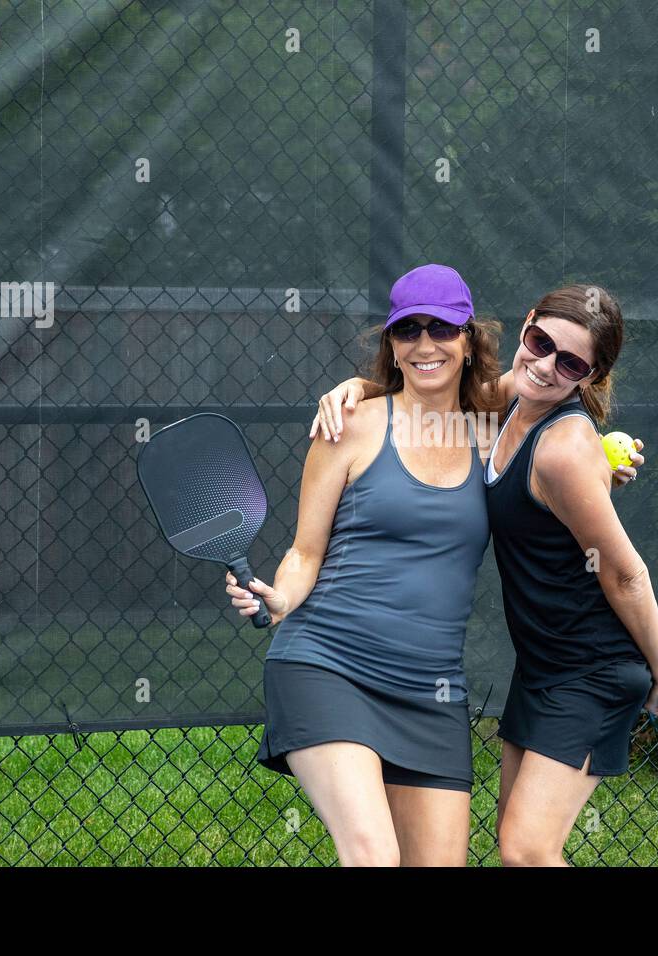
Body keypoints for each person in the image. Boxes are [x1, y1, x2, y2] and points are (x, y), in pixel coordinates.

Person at [311, 283, 658, 866]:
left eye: (571, 363)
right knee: (517, 846)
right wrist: (357, 389)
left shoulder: (564, 446)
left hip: (594, 668)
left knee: (526, 851)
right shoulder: (508, 398)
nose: (545, 365)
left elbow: (626, 574)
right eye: (539, 342)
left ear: (590, 375)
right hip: (540, 665)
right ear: (527, 324)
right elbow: (425, 390)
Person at [225, 263, 500, 867]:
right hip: (328, 665)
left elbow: (559, 422)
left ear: (470, 340)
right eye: (408, 332)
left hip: (432, 691)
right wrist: (278, 600)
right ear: (392, 346)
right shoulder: (345, 425)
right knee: (374, 856)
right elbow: (304, 552)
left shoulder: (495, 434)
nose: (425, 344)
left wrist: (603, 467)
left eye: (442, 329)